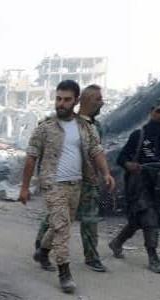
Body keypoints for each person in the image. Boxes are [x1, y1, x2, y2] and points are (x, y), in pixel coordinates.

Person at [19, 80, 115, 294]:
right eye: (58, 99)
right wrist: (24, 187)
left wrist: (106, 173)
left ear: (76, 101)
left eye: (66, 100)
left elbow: (96, 151)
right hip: (53, 184)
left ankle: (43, 251)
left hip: (77, 184)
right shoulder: (45, 128)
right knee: (63, 228)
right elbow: (31, 157)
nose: (61, 104)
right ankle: (64, 273)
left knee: (60, 225)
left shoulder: (85, 127)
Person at [34, 84, 108, 272]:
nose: (102, 103)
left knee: (88, 218)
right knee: (57, 218)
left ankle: (91, 256)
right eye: (98, 99)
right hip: (62, 180)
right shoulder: (56, 123)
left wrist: (104, 173)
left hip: (87, 181)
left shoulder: (94, 126)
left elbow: (96, 152)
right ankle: (44, 251)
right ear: (88, 100)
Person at [110, 97, 160, 274]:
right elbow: (121, 158)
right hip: (139, 183)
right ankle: (153, 257)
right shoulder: (138, 135)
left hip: (158, 185)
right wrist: (129, 165)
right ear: (151, 112)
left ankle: (117, 242)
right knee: (149, 218)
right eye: (158, 111)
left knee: (136, 221)